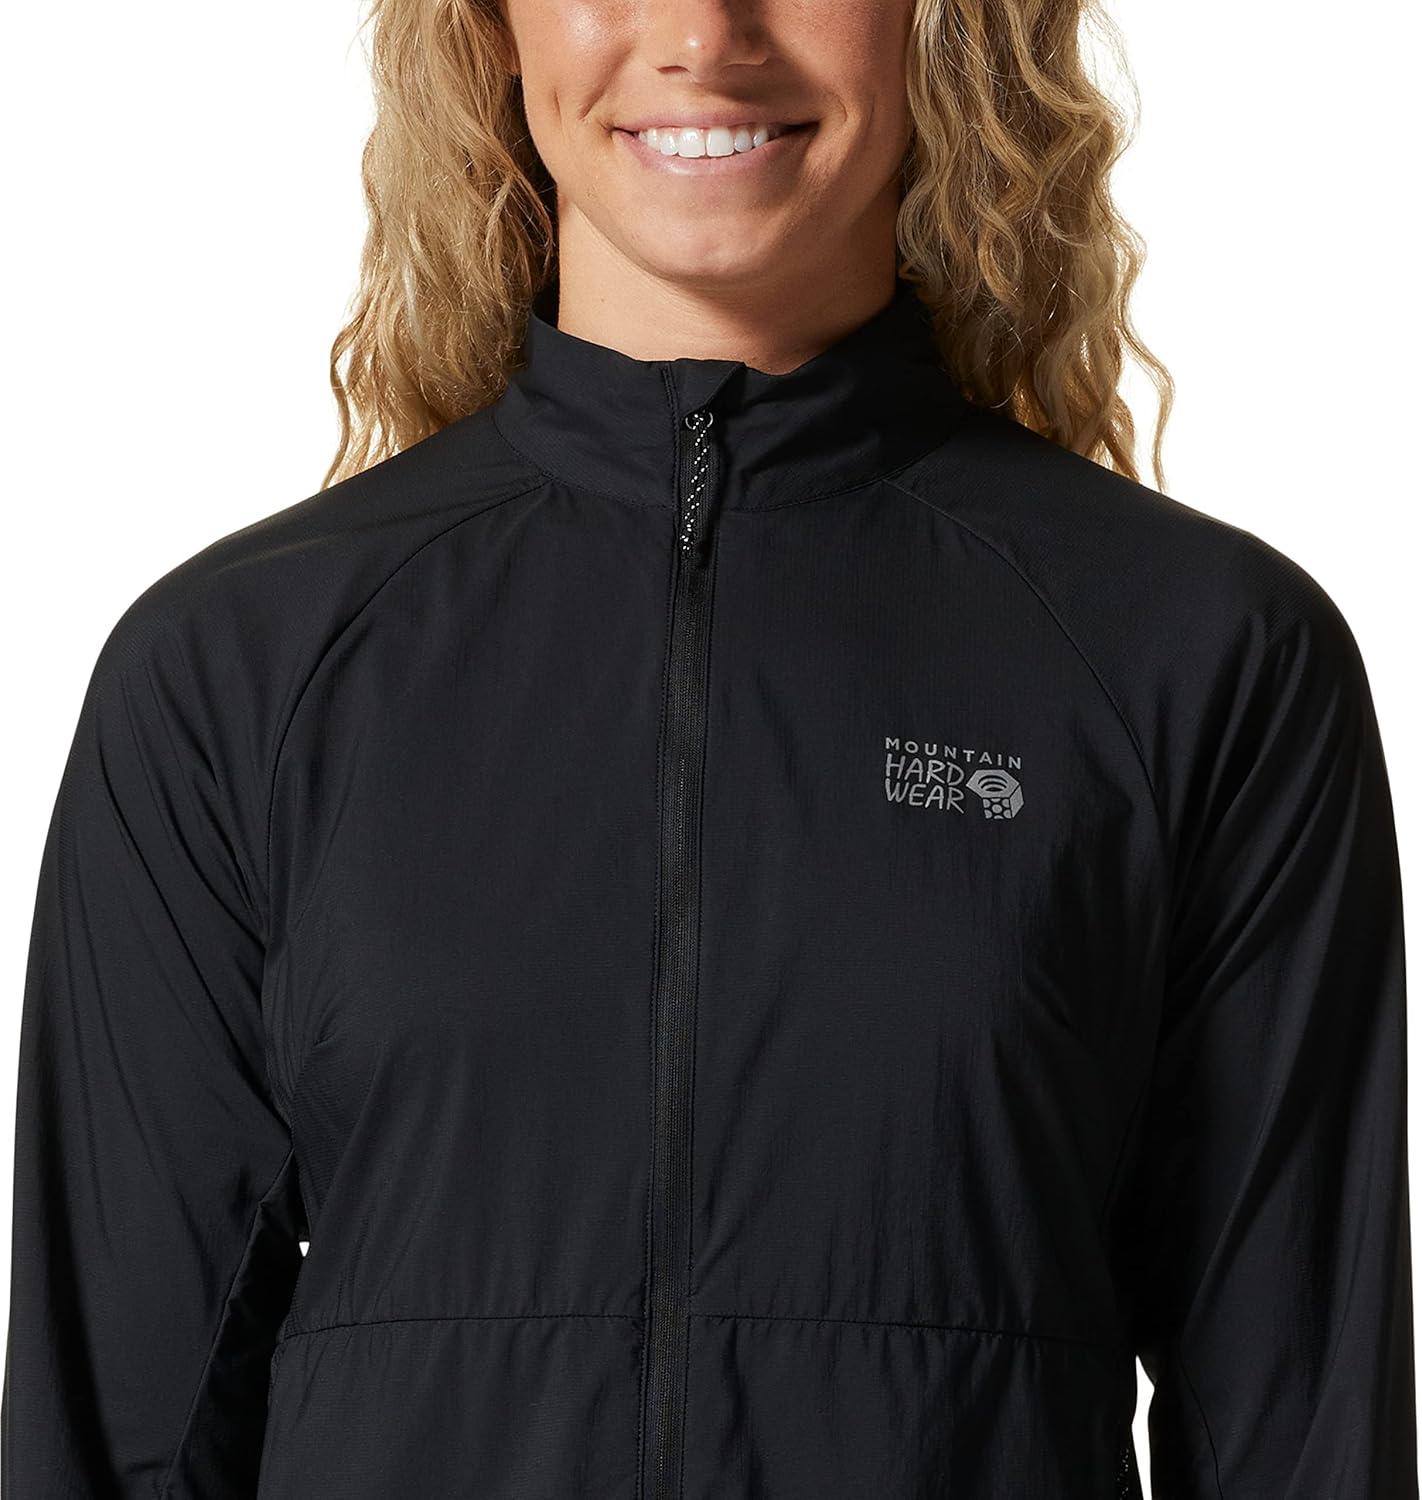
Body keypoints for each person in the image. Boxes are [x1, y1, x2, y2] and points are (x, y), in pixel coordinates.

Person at [2, 0, 1415, 1494]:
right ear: (490, 30)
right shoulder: (237, 670)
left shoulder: (1195, 654)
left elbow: (1298, 1427)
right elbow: (118, 1434)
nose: (702, 33)